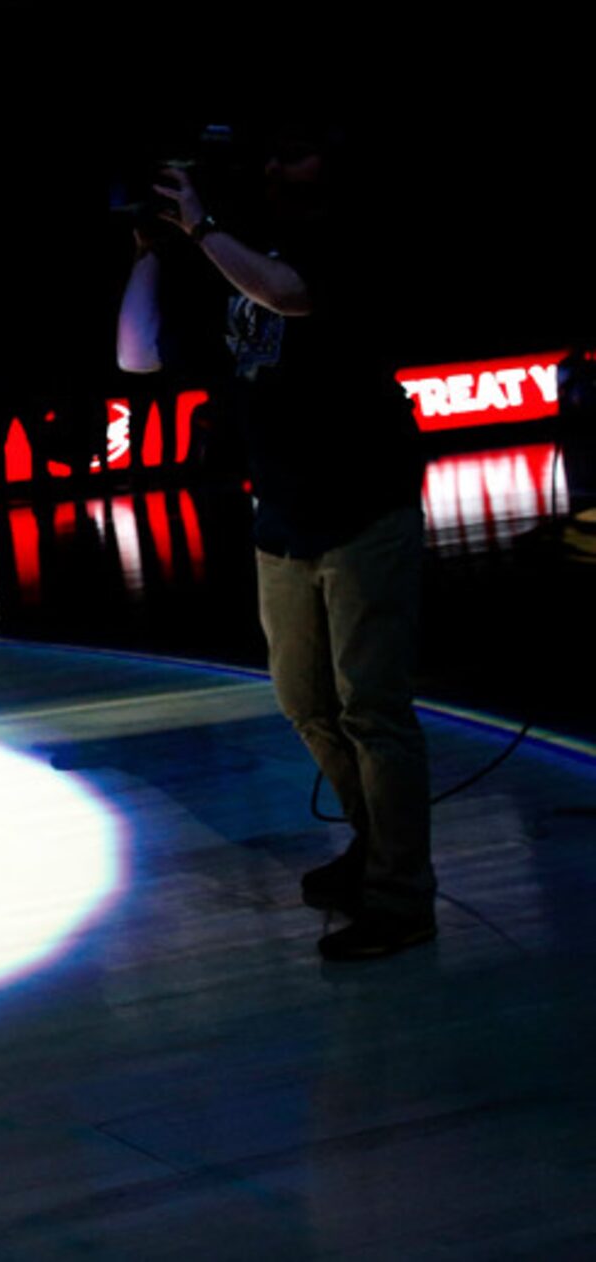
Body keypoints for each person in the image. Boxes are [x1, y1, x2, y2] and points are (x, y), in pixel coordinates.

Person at [115, 127, 434, 959]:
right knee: (304, 704)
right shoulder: (233, 252)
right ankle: (372, 845)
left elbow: (291, 297)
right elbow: (136, 355)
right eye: (271, 152)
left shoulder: (347, 242)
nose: (273, 165)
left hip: (365, 505)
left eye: (294, 151)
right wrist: (152, 248)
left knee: (373, 710)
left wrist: (200, 231)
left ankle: (402, 896)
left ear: (334, 164)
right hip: (283, 515)